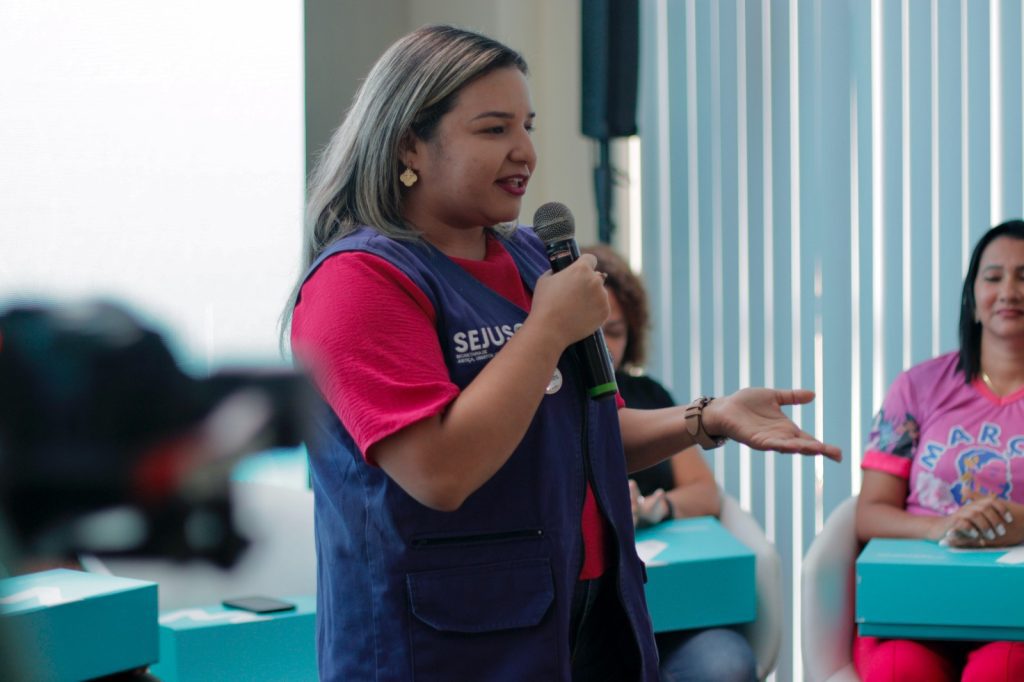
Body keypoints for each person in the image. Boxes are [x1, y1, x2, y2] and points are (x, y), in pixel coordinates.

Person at [284, 25, 840, 682]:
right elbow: (439, 471)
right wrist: (545, 330)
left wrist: (707, 418)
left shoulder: (527, 258)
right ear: (409, 142)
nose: (524, 151)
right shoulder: (358, 283)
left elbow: (577, 433)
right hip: (438, 641)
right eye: (494, 129)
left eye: (529, 125)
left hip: (582, 609)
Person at [854, 220, 1024, 682]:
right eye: (993, 277)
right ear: (972, 299)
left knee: (1002, 671)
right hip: (914, 600)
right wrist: (941, 526)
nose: (1009, 290)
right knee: (897, 670)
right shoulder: (919, 386)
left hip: (1017, 614)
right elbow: (869, 513)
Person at [584, 244, 757, 682]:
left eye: (617, 331)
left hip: (669, 609)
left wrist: (654, 509)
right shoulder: (540, 402)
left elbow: (704, 492)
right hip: (583, 621)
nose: (605, 345)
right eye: (592, 328)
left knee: (727, 664)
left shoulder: (651, 396)